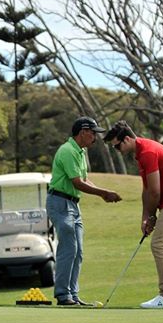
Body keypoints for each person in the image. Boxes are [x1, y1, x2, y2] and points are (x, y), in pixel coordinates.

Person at [104, 120, 163, 308]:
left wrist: (152, 217)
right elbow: (146, 189)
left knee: (159, 244)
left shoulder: (147, 153)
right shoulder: (140, 153)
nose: (117, 150)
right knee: (159, 244)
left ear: (127, 139)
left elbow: (155, 191)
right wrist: (145, 217)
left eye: (117, 146)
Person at [47, 116, 122, 306]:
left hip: (72, 204)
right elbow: (77, 183)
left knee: (78, 251)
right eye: (93, 133)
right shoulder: (67, 151)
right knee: (69, 248)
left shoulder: (79, 151)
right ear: (83, 132)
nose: (95, 137)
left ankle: (72, 295)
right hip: (60, 203)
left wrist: (103, 193)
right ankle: (63, 295)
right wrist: (103, 193)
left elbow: (85, 180)